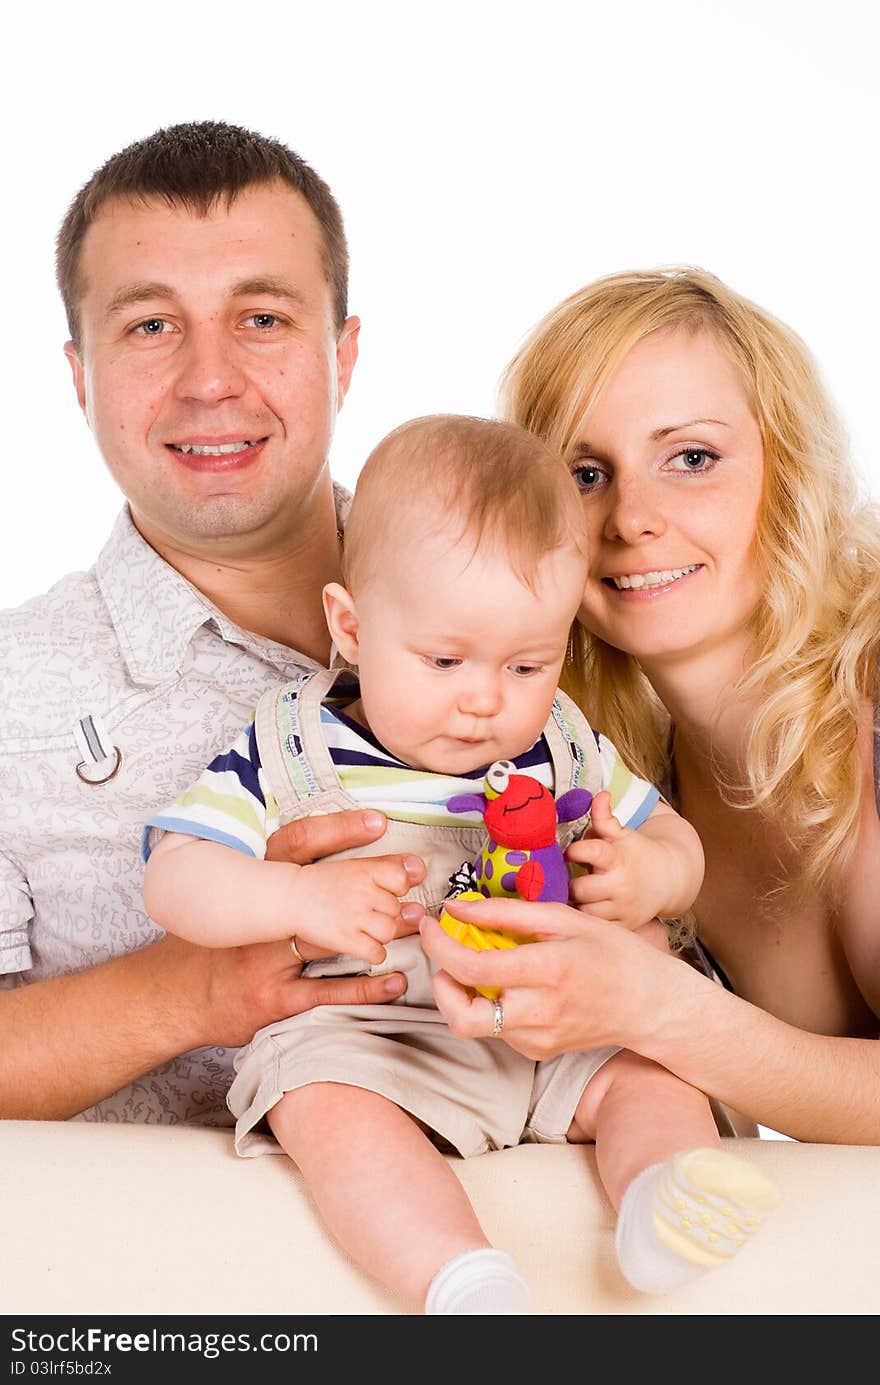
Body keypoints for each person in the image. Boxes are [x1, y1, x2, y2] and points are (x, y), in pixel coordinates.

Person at [142, 413, 779, 1313]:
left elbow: (674, 837)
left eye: (528, 662)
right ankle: (460, 1277)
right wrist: (291, 895)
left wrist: (650, 874)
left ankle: (659, 1203)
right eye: (444, 659)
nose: (485, 701)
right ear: (351, 626)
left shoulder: (562, 741)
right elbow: (174, 875)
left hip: (560, 1032)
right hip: (377, 1039)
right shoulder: (292, 744)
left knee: (652, 1075)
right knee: (318, 1102)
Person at [0, 120, 426, 1126]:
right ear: (78, 376)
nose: (208, 380)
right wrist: (193, 988)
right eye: (150, 326)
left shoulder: (535, 598)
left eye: (263, 318)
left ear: (343, 352)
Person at [421, 267, 880, 1146]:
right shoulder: (622, 785)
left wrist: (655, 1007)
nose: (632, 517)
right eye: (587, 474)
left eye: (693, 459)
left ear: (789, 473)